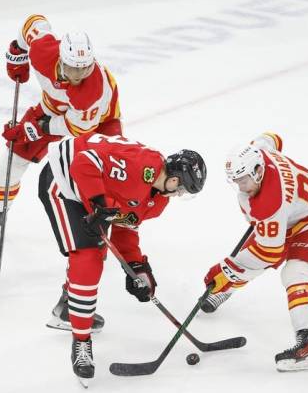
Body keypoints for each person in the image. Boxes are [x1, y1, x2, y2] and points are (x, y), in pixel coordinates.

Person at [38, 133, 206, 385]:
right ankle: (81, 342)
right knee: (89, 256)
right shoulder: (141, 167)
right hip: (64, 180)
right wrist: (97, 204)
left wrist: (137, 267)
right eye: (181, 189)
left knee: (95, 249)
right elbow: (84, 162)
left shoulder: (157, 200)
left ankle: (67, 308)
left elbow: (125, 225)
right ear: (174, 179)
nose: (179, 194)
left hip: (91, 192)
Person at [0, 14, 123, 238]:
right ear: (61, 58)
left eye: (83, 69)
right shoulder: (43, 51)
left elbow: (77, 128)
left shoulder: (92, 90)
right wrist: (17, 52)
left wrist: (38, 128)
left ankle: (101, 224)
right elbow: (34, 22)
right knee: (16, 154)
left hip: (100, 121)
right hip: (54, 107)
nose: (77, 76)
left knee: (100, 170)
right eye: (72, 69)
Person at [202, 132, 308, 372]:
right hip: (293, 213)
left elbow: (269, 254)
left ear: (258, 171)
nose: (240, 186)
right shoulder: (259, 152)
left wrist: (226, 270)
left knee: (294, 273)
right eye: (236, 180)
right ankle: (225, 288)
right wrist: (232, 270)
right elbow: (271, 138)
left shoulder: (270, 203)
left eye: (244, 179)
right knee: (246, 258)